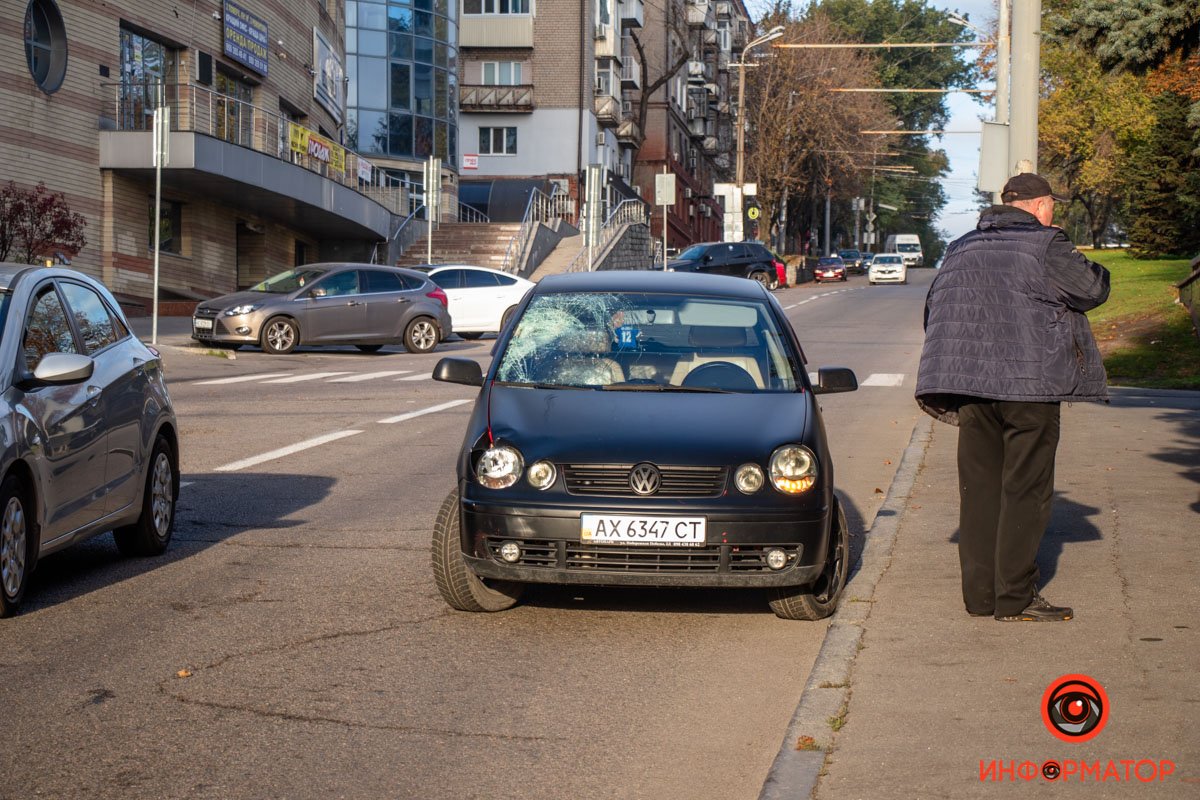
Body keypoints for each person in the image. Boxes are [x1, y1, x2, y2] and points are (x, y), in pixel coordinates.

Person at [914, 172, 1110, 622]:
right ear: (1040, 205)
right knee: (1026, 489)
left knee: (979, 490)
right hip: (1030, 386)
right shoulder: (1046, 244)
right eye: (1052, 206)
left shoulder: (960, 247)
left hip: (971, 386)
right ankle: (1015, 597)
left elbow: (935, 311)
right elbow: (1093, 289)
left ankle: (980, 598)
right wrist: (1069, 247)